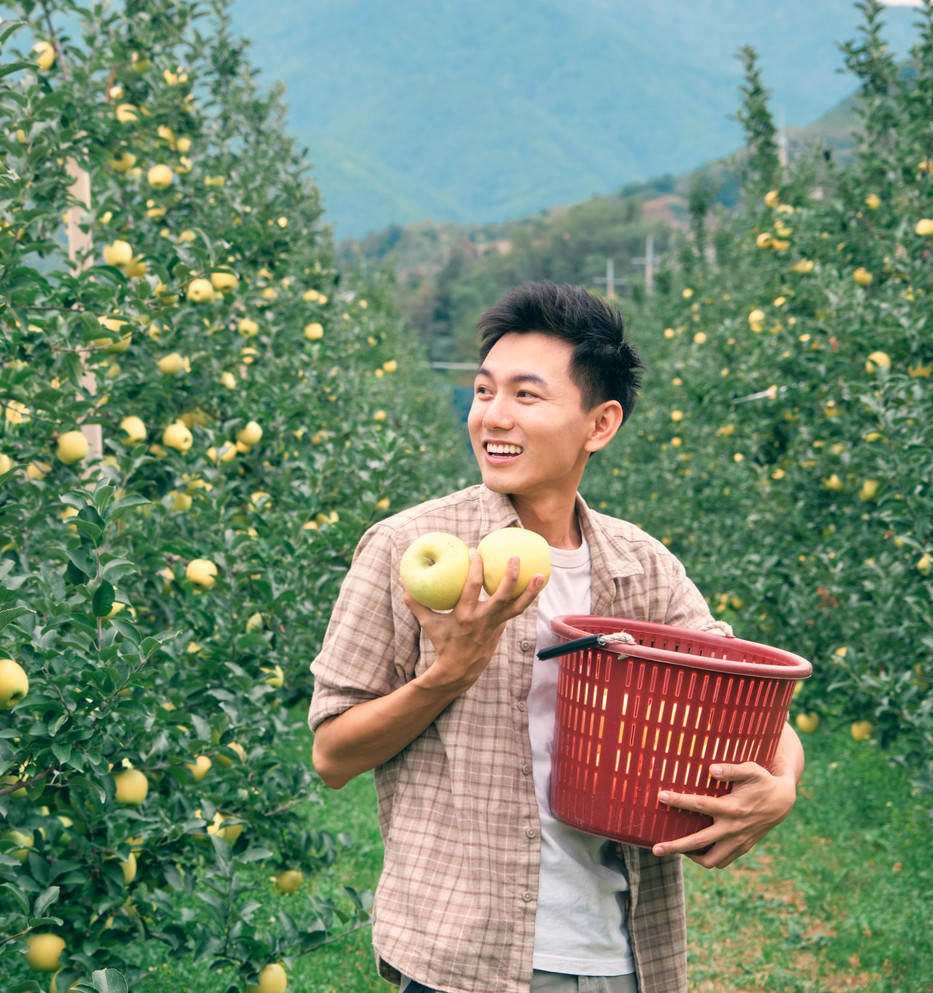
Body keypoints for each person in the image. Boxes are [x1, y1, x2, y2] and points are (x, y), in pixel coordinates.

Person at [308, 281, 803, 993]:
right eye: (483, 391)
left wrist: (781, 785)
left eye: (525, 396)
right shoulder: (408, 548)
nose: (492, 416)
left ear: (599, 424)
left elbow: (758, 704)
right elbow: (331, 753)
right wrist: (449, 673)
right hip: (467, 961)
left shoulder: (641, 568)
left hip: (627, 958)